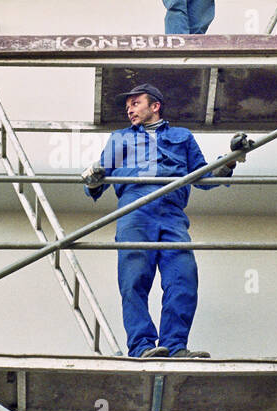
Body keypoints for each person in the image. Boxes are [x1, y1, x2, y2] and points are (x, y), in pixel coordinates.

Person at [83, 84, 247, 358]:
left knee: (183, 278)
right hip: (135, 210)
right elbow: (97, 183)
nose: (129, 109)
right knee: (134, 280)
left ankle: (174, 346)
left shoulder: (182, 137)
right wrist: (92, 179)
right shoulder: (119, 138)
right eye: (128, 105)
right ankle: (141, 347)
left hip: (172, 214)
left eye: (136, 103)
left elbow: (203, 177)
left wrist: (231, 160)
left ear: (155, 106)